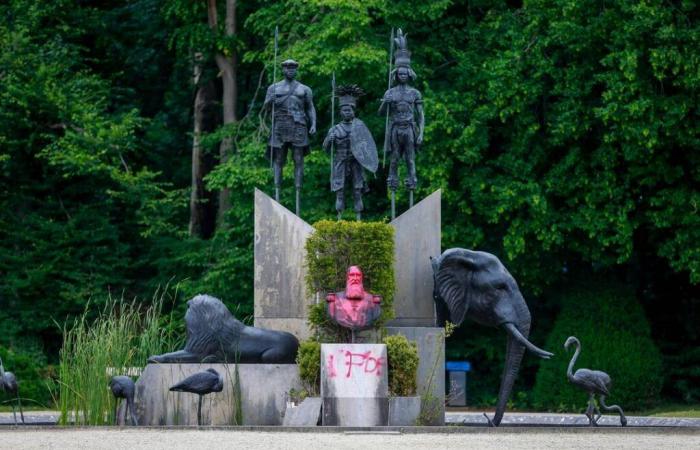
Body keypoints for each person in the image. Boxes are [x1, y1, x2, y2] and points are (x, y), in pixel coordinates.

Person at [263, 59, 317, 210]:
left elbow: (310, 108)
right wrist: (269, 101)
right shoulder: (273, 88)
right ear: (283, 69)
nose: (290, 70)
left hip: (298, 125)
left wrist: (313, 124)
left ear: (296, 70)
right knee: (278, 159)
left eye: (293, 68)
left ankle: (298, 192)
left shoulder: (304, 89)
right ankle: (277, 192)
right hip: (280, 125)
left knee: (298, 159)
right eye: (288, 67)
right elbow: (266, 109)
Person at [378, 29, 424, 194]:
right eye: (400, 73)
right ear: (396, 74)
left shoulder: (414, 93)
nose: (403, 75)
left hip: (409, 128)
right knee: (395, 158)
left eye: (405, 73)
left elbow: (421, 116)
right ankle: (392, 180)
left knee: (410, 159)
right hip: (395, 128)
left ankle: (412, 179)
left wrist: (421, 134)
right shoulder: (390, 92)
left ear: (409, 74)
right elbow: (381, 113)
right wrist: (386, 104)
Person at [322, 85, 378, 220]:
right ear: (341, 112)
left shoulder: (359, 126)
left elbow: (367, 147)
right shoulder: (335, 129)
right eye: (344, 110)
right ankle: (339, 218)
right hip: (340, 161)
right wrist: (329, 140)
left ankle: (358, 218)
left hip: (356, 162)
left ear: (354, 111)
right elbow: (325, 148)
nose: (347, 112)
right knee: (339, 192)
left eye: (349, 110)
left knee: (357, 191)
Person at [326, 266, 381, 331]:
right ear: (347, 278)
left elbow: (375, 316)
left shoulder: (371, 300)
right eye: (352, 275)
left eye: (358, 275)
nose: (355, 278)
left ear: (361, 278)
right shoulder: (336, 299)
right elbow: (332, 315)